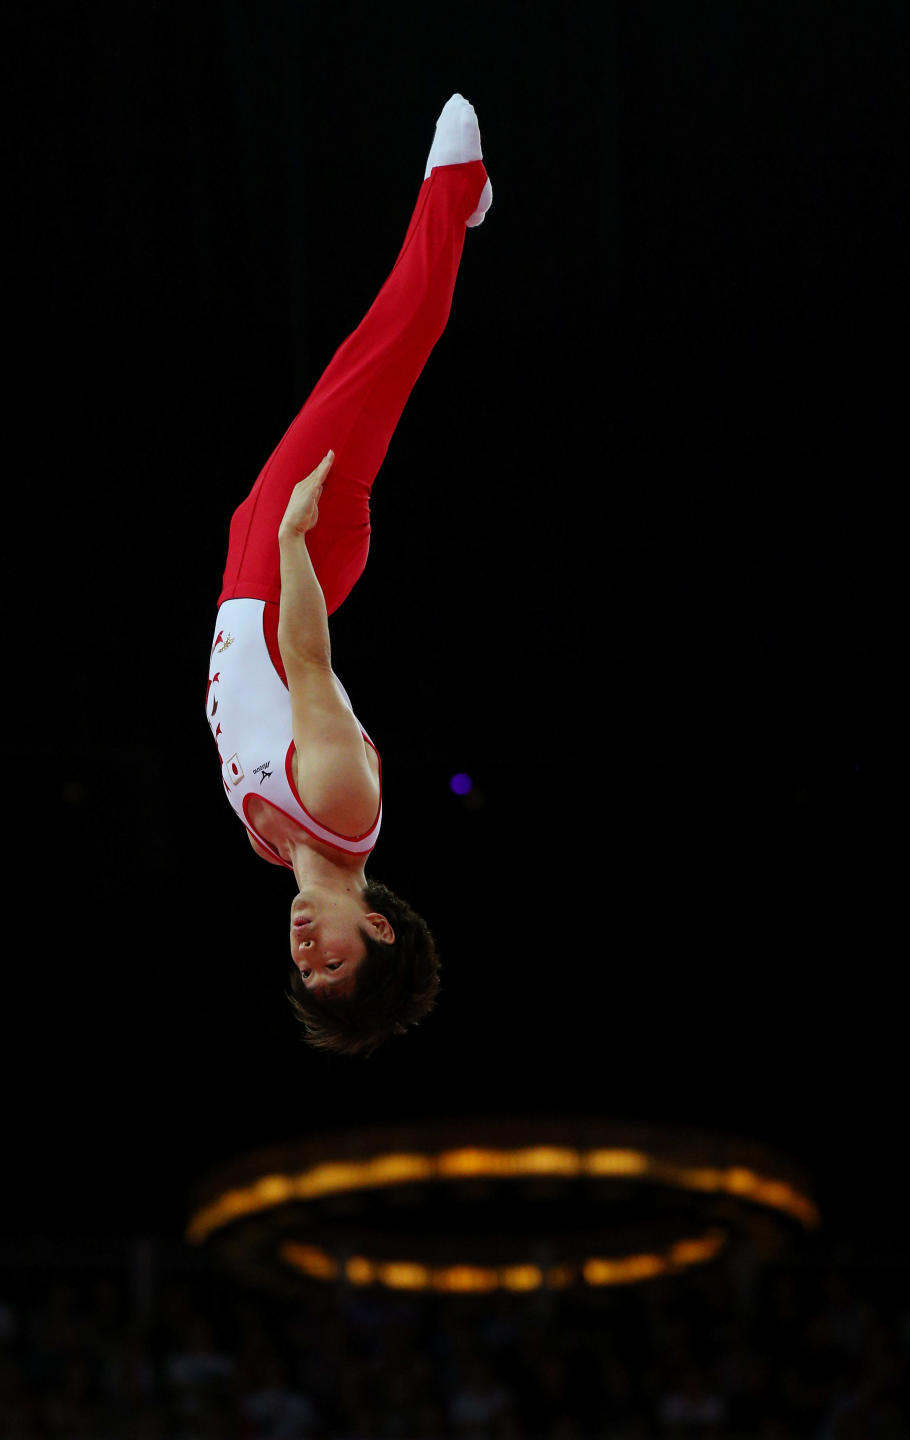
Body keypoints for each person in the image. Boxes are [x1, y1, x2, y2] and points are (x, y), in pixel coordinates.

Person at [205, 94, 491, 1058]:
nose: (305, 953)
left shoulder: (275, 844)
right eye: (332, 962)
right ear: (376, 928)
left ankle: (458, 198)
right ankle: (458, 189)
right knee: (385, 350)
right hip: (294, 562)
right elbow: (305, 657)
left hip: (262, 561)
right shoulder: (339, 806)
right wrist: (289, 539)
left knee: (375, 357)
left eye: (303, 972)